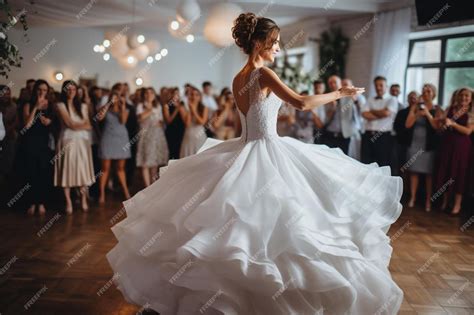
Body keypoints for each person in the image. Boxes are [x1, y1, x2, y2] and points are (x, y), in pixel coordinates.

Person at [107, 12, 403, 315]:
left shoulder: (238, 77)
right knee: (279, 225)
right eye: (274, 43)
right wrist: (340, 93)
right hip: (265, 150)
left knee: (244, 225)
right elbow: (300, 102)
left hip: (244, 148)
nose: (278, 49)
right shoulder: (262, 74)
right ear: (259, 42)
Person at [395, 87, 440, 212]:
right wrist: (416, 114)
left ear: (433, 94)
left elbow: (437, 126)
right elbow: (407, 124)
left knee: (428, 174)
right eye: (424, 91)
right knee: (413, 171)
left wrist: (427, 114)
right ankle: (413, 198)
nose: (425, 93)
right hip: (414, 143)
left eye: (428, 91)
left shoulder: (437, 109)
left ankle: (428, 200)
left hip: (428, 145)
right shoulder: (415, 107)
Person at [54, 80, 95, 214]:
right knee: (67, 170)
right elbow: (69, 123)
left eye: (74, 89)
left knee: (83, 170)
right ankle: (69, 202)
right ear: (64, 91)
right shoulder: (60, 105)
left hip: (82, 141)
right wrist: (80, 125)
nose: (71, 92)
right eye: (69, 89)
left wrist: (79, 125)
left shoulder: (82, 106)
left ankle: (83, 199)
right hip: (67, 140)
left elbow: (89, 125)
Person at [19, 80, 54, 215]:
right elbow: (27, 125)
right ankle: (32, 202)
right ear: (35, 90)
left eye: (44, 90)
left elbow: (52, 123)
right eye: (39, 89)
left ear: (47, 91)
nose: (42, 92)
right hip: (30, 143)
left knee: (43, 173)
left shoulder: (50, 106)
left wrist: (49, 121)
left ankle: (42, 203)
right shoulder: (27, 104)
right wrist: (35, 107)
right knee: (31, 173)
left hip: (44, 144)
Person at [436, 88, 473, 215]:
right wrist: (442, 122)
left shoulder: (472, 112)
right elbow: (441, 126)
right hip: (447, 144)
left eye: (466, 96)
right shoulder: (450, 108)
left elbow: (468, 131)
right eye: (461, 95)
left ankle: (457, 205)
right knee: (446, 171)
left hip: (462, 147)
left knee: (460, 174)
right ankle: (445, 202)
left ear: (471, 98)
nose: (463, 98)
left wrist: (452, 124)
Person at [97, 91, 131, 204]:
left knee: (120, 168)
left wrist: (122, 105)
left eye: (118, 97)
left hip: (121, 139)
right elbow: (99, 118)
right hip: (107, 139)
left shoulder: (124, 109)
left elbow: (123, 121)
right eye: (113, 97)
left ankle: (126, 191)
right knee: (105, 168)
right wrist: (108, 104)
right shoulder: (105, 108)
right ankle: (101, 193)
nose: (115, 99)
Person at [361, 76, 398, 168]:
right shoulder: (370, 99)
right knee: (366, 163)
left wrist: (372, 111)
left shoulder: (392, 99)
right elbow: (365, 114)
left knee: (382, 163)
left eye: (381, 85)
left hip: (383, 136)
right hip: (367, 135)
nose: (378, 88)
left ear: (386, 87)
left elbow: (386, 113)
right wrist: (380, 113)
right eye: (376, 85)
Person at [136, 87, 169, 187]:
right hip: (145, 135)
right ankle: (147, 186)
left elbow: (161, 120)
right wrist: (149, 110)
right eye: (147, 93)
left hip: (156, 135)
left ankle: (153, 185)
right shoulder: (141, 105)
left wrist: (161, 123)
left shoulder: (158, 105)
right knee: (145, 161)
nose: (149, 95)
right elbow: (141, 118)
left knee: (154, 162)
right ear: (144, 95)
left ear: (154, 95)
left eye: (151, 93)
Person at [321, 75, 358, 155]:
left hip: (344, 136)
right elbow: (324, 121)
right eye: (330, 83)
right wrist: (332, 108)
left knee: (343, 160)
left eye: (334, 82)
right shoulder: (326, 98)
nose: (332, 85)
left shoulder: (350, 97)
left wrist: (355, 101)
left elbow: (359, 115)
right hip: (329, 135)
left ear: (340, 84)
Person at [180, 86, 209, 157]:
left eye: (196, 95)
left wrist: (194, 111)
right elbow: (187, 124)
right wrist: (190, 110)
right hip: (188, 136)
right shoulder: (183, 108)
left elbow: (202, 122)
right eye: (192, 94)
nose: (194, 97)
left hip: (200, 135)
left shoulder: (204, 108)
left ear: (199, 97)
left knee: (200, 158)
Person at [163, 87, 186, 159]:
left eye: (178, 93)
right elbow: (168, 120)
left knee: (179, 152)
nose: (176, 95)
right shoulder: (167, 105)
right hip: (171, 131)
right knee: (171, 152)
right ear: (171, 95)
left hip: (181, 130)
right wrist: (176, 110)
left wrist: (181, 109)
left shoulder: (182, 104)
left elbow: (185, 118)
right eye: (175, 93)